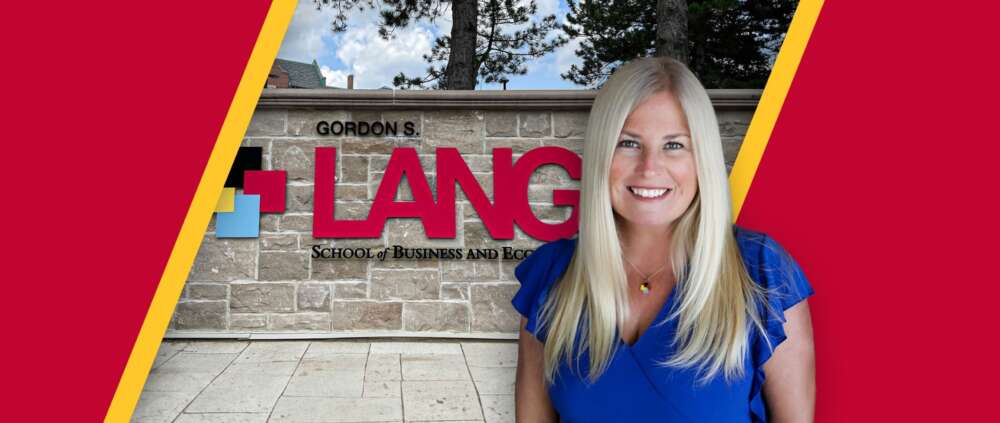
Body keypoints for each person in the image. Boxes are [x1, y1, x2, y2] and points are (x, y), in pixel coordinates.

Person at [512, 57, 815, 422]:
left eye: (674, 145)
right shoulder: (551, 275)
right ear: (600, 153)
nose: (649, 168)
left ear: (702, 157)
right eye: (628, 143)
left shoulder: (761, 271)